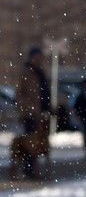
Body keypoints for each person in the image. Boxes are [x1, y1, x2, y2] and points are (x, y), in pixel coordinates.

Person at [9, 46, 50, 179]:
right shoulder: (26, 72)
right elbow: (19, 94)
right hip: (29, 114)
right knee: (29, 143)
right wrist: (29, 108)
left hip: (40, 113)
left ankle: (31, 168)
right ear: (32, 57)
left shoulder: (40, 72)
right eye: (37, 57)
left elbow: (44, 92)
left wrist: (46, 107)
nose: (39, 59)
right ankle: (28, 169)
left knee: (38, 142)